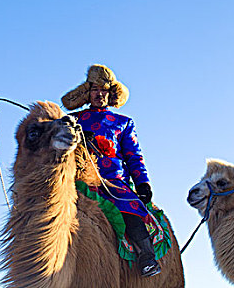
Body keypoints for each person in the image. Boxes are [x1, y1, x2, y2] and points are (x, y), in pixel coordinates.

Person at [61, 64, 161, 277]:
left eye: (104, 90)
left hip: (113, 182)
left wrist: (143, 183)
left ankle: (147, 257)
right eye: (95, 89)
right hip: (80, 179)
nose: (100, 94)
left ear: (111, 93)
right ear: (88, 93)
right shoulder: (74, 120)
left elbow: (134, 155)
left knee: (131, 210)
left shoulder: (123, 123)